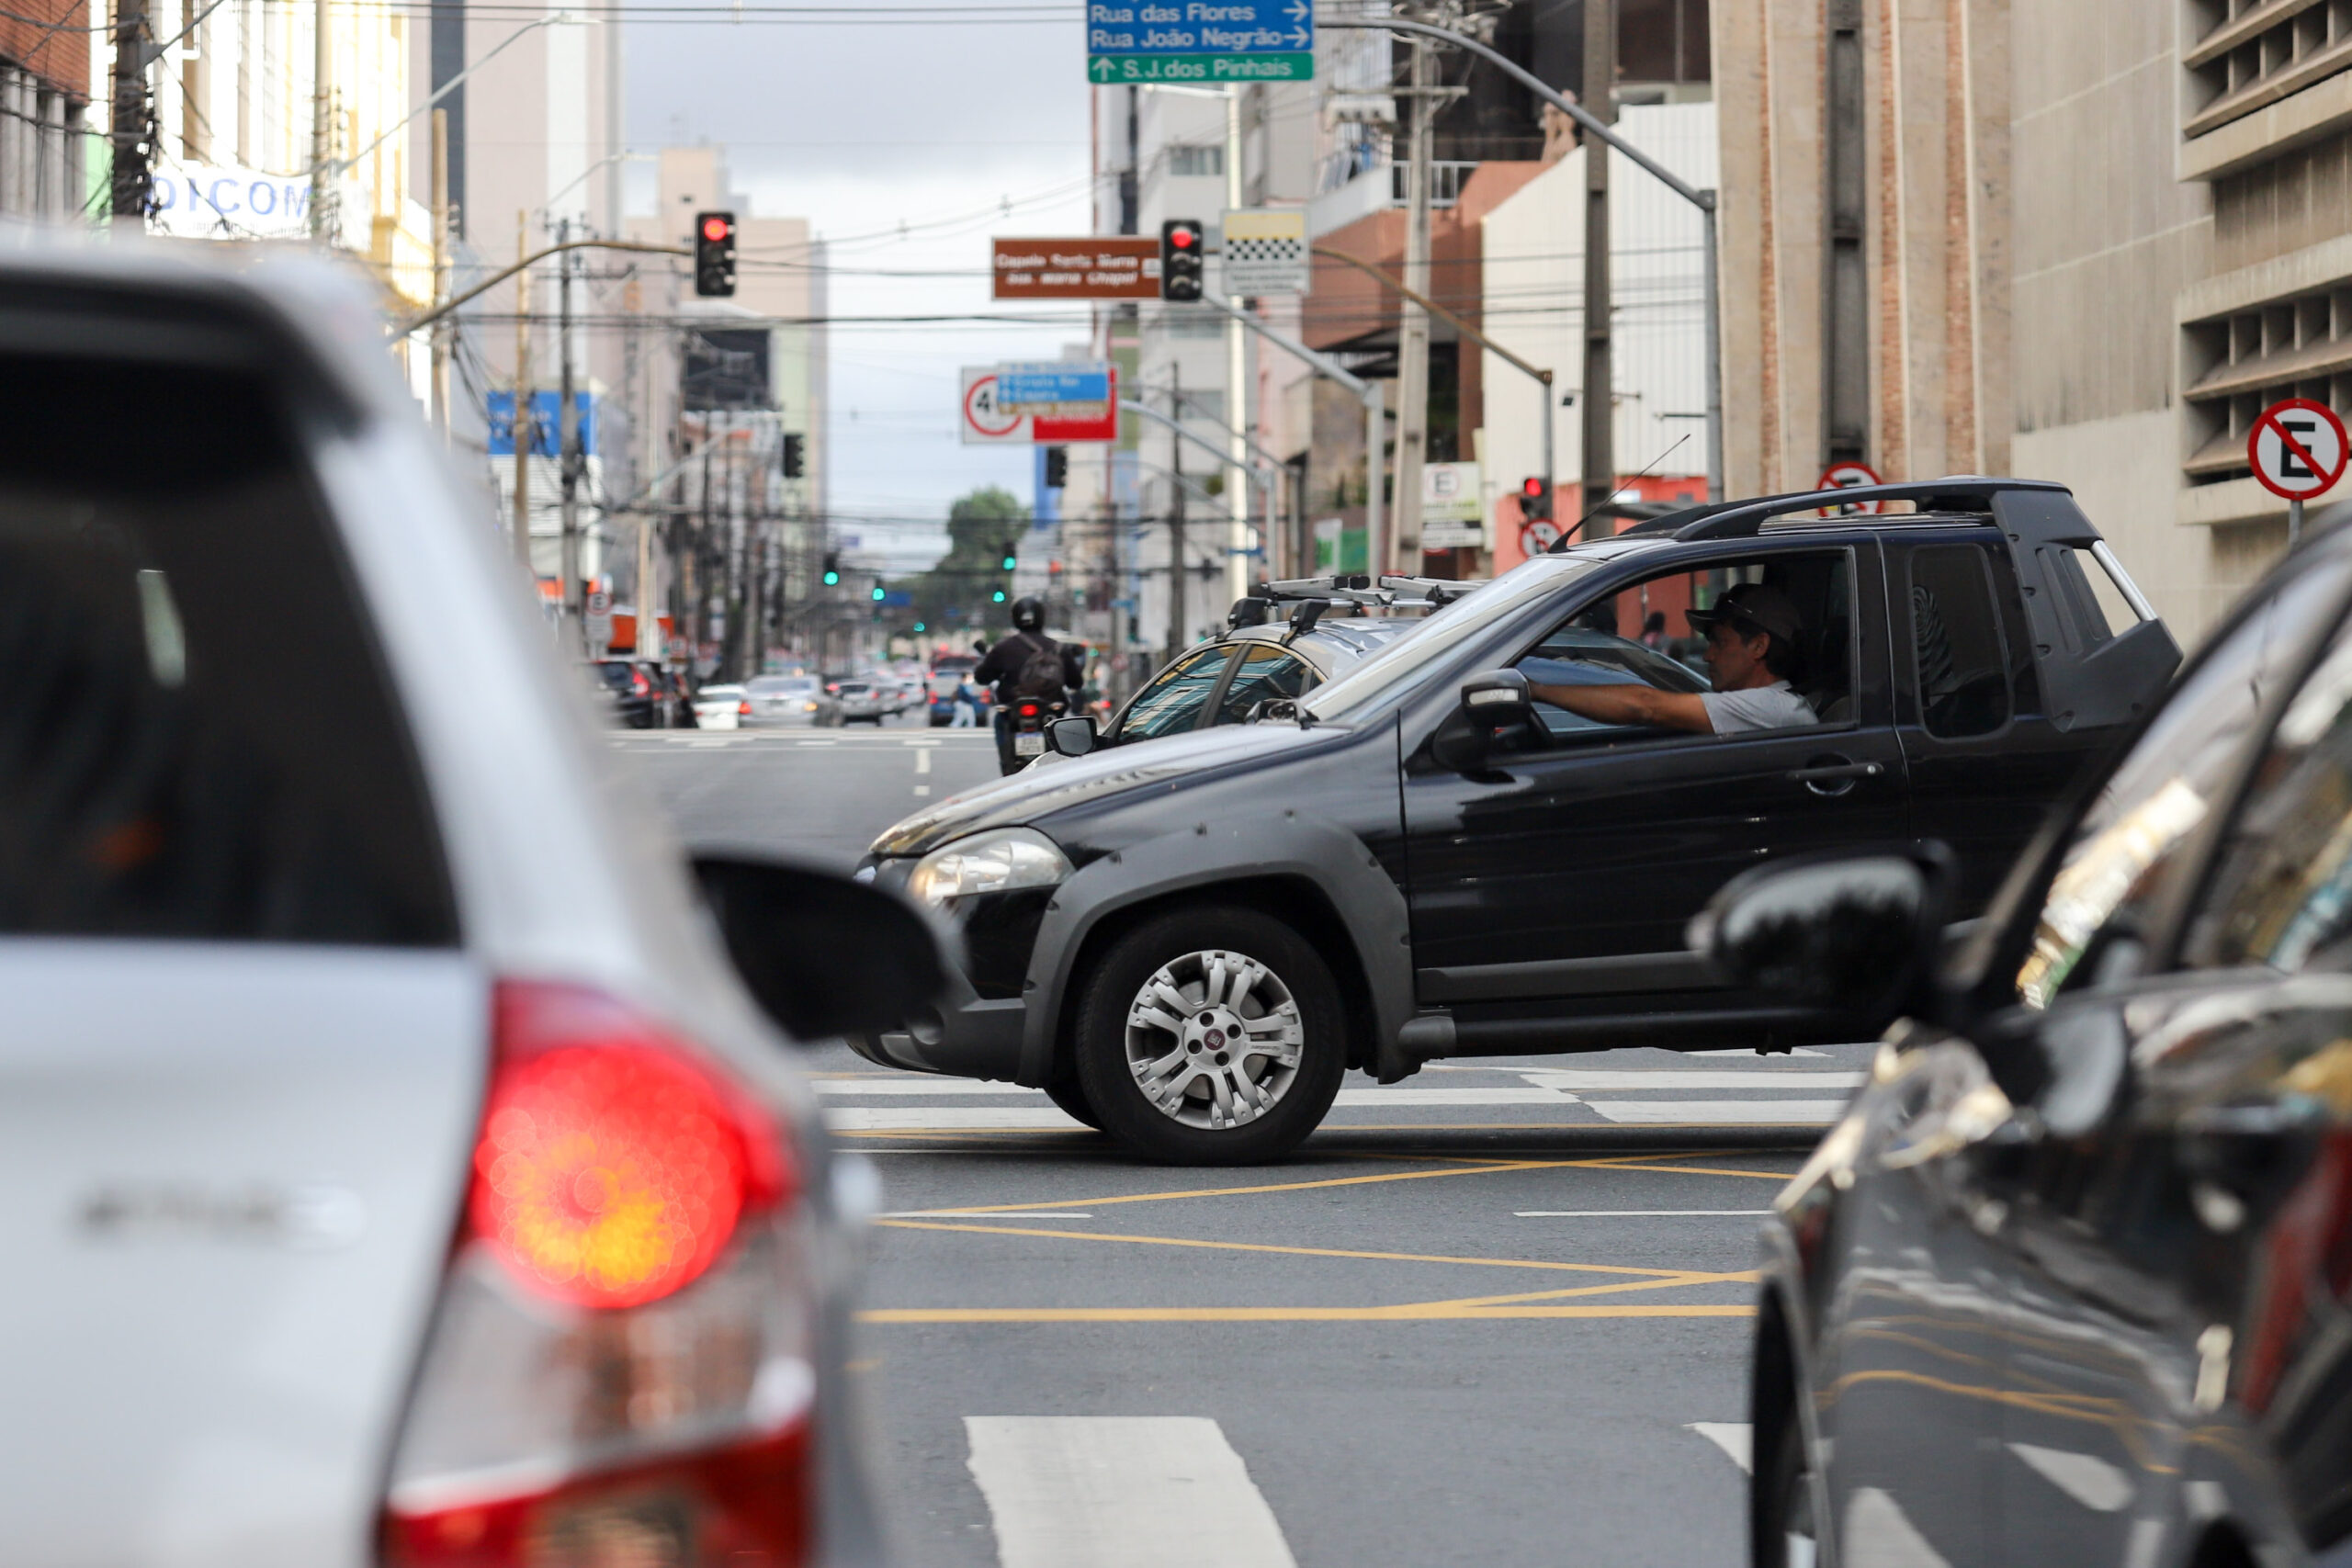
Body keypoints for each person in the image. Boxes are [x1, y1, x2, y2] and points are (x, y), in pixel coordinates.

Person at [1523, 582, 1819, 736]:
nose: (1707, 655)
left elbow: (1646, 706)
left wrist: (1537, 691)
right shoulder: (1770, 706)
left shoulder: (1774, 709)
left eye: (1719, 642)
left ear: (1758, 646)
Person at [973, 596, 1083, 773]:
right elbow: (1076, 682)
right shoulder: (1058, 648)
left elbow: (982, 677)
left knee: (1000, 720)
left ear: (1015, 618)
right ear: (1041, 617)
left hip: (1012, 712)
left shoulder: (1003, 648)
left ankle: (1006, 762)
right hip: (1050, 712)